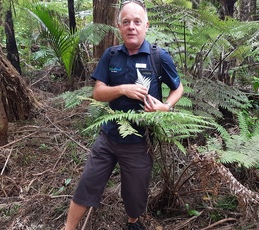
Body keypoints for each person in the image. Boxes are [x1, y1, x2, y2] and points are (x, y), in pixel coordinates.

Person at [63, 0, 183, 229]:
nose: (132, 27)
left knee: (135, 194)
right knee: (88, 183)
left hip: (140, 141)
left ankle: (133, 221)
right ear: (119, 27)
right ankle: (68, 227)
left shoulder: (159, 57)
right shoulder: (111, 55)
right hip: (108, 137)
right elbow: (98, 92)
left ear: (146, 25)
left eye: (137, 22)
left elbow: (178, 88)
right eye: (126, 22)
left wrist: (165, 106)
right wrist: (122, 89)